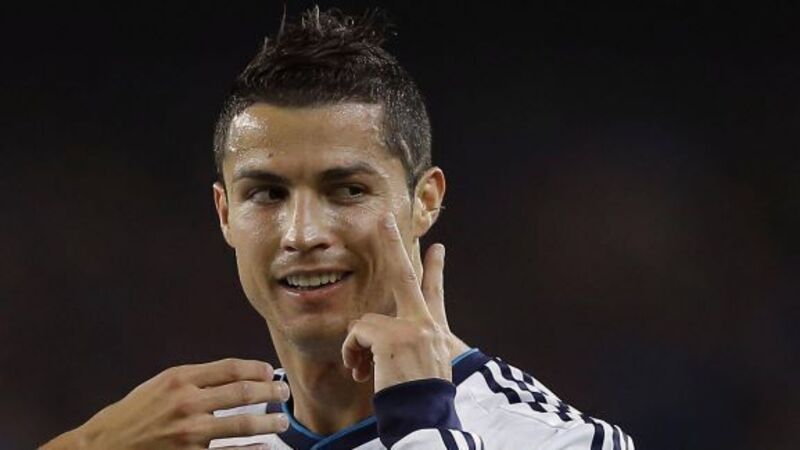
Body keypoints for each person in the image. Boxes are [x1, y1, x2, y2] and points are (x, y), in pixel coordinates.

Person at [41, 7, 634, 450]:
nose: (302, 234)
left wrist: (422, 423)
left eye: (347, 190)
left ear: (424, 201)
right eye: (267, 193)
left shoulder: (554, 440)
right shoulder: (181, 436)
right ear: (225, 214)